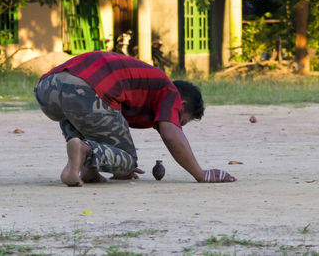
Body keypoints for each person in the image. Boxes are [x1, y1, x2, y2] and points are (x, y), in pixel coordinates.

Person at [34, 51, 236, 186]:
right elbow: (170, 132)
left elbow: (102, 126)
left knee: (91, 121)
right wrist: (201, 174)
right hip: (85, 89)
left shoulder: (147, 86)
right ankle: (85, 151)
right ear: (181, 105)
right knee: (128, 160)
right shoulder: (170, 91)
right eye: (180, 120)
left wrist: (113, 157)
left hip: (48, 89)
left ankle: (87, 169)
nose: (176, 122)